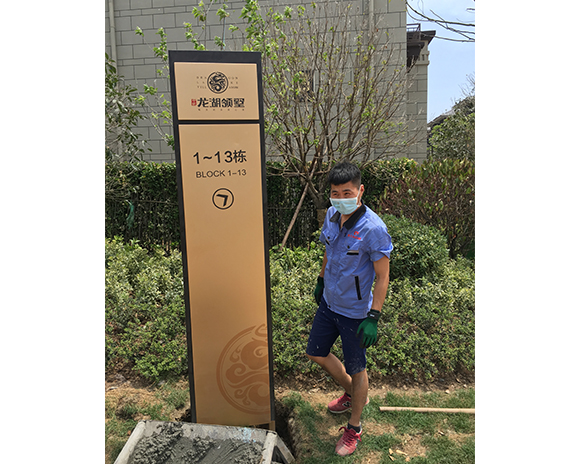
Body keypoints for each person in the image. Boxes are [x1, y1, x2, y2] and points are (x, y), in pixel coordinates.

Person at [306, 161, 393, 457]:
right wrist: (321, 280)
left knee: (358, 369)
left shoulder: (373, 229)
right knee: (316, 352)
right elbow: (328, 252)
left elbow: (383, 276)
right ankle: (353, 394)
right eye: (335, 193)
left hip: (355, 313)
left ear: (360, 191)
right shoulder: (331, 216)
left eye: (347, 192)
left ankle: (354, 427)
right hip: (329, 304)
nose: (340, 198)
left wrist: (374, 316)